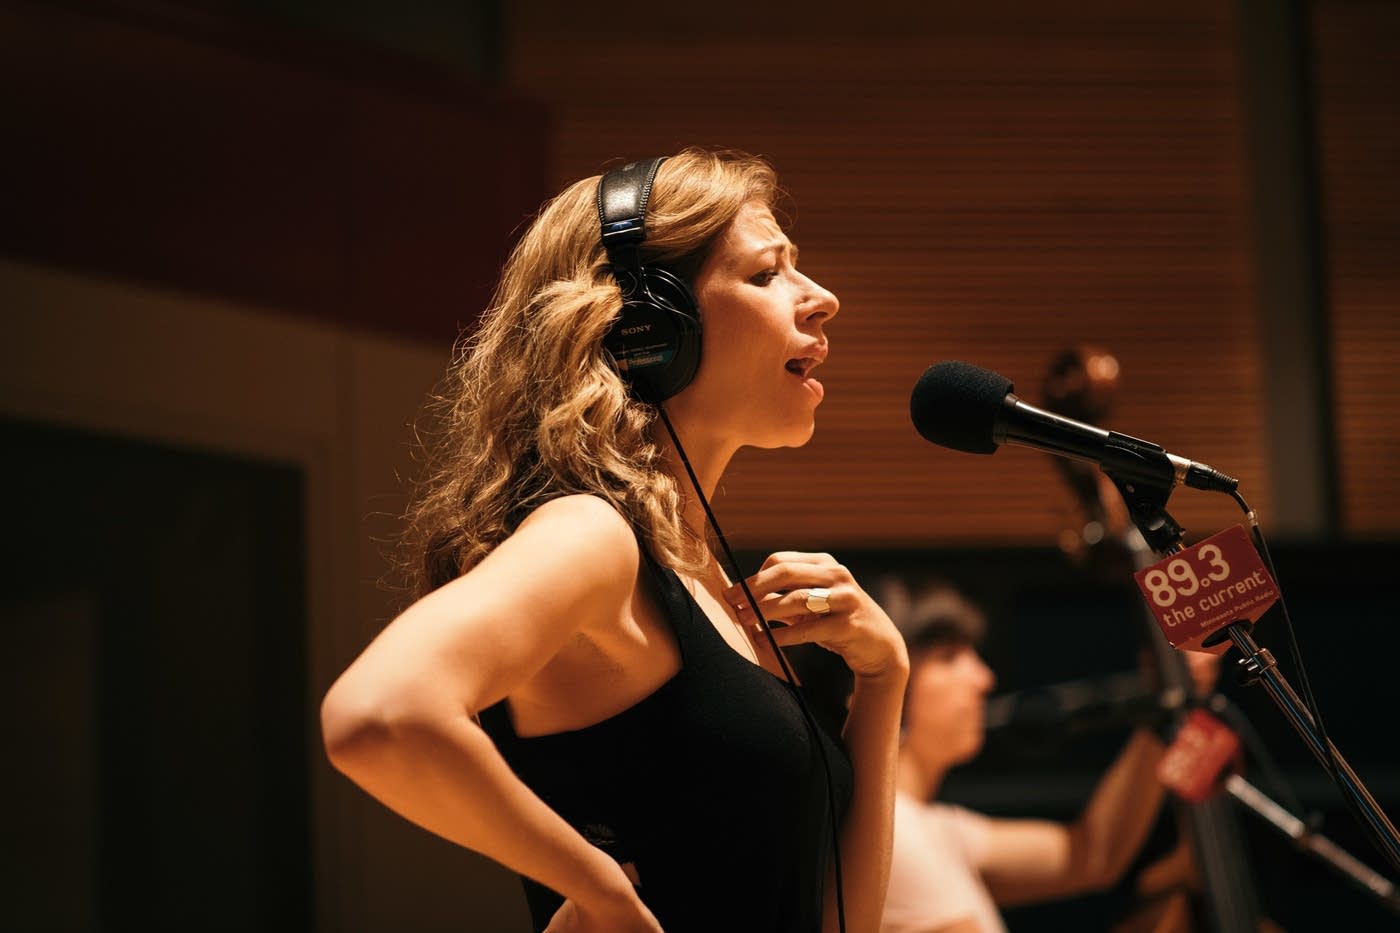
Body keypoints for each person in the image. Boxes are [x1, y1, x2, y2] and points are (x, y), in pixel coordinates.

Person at [319, 148, 909, 933]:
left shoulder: (701, 577)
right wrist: (595, 883)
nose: (823, 298)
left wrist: (885, 680)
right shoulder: (592, 534)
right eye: (768, 274)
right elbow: (379, 712)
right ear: (646, 327)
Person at [877, 578, 1219, 933]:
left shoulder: (935, 828)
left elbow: (1091, 855)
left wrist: (1161, 714)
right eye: (949, 658)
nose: (984, 678)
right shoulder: (897, 829)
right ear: (890, 684)